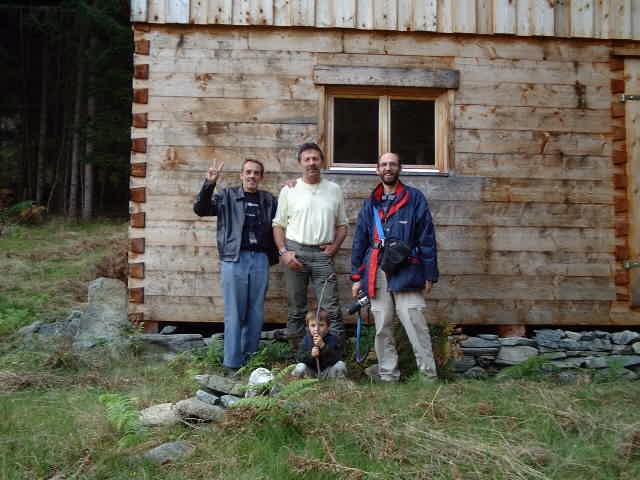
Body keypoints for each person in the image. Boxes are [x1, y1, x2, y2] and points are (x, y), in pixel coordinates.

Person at [350, 152, 439, 383]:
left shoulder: (414, 198)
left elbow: (427, 238)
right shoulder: (370, 203)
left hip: (407, 270)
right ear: (377, 169)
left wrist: (429, 273)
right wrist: (356, 277)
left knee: (415, 323)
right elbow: (360, 240)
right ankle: (388, 376)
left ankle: (429, 377)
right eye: (383, 164)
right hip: (376, 272)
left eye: (392, 164)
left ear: (400, 168)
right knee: (382, 327)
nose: (388, 168)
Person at [193, 158, 278, 375]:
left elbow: (285, 218)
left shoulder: (268, 200)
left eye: (256, 173)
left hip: (260, 259)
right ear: (241, 175)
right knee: (234, 311)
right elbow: (201, 209)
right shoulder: (227, 196)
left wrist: (291, 190)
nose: (252, 176)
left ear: (261, 177)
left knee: (256, 311)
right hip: (234, 258)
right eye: (248, 172)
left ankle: (250, 360)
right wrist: (209, 183)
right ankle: (232, 363)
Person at [272, 142, 349, 346]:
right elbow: (278, 225)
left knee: (330, 307)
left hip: (323, 255)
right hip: (295, 253)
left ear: (322, 162)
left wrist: (334, 247)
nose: (312, 163)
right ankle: (298, 355)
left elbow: (342, 225)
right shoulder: (290, 190)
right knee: (297, 307)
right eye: (307, 159)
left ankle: (335, 353)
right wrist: (283, 252)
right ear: (300, 163)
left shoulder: (334, 190)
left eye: (315, 159)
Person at [292, 310, 347, 379]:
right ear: (308, 327)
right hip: (311, 374)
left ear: (328, 326)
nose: (316, 329)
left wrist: (323, 346)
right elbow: (300, 358)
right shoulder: (306, 339)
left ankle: (338, 386)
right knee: (300, 366)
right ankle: (300, 386)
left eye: (321, 325)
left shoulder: (333, 339)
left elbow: (336, 358)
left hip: (327, 373)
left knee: (340, 365)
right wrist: (311, 355)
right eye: (313, 325)